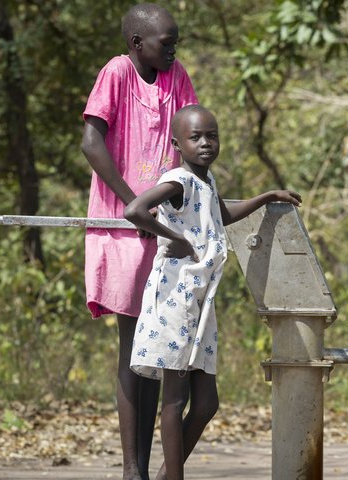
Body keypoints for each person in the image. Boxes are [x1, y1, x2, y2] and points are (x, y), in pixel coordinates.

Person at [124, 105, 302, 480]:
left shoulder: (205, 181)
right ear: (177, 144)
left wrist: (267, 197)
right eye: (196, 137)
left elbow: (220, 214)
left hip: (200, 300)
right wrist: (178, 240)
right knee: (175, 398)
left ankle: (165, 475)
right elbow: (135, 210)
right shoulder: (179, 181)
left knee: (206, 403)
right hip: (174, 296)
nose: (205, 143)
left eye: (212, 135)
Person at [79, 4, 198, 479]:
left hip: (165, 226)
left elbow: (188, 141)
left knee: (157, 346)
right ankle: (133, 469)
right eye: (165, 43)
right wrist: (136, 203)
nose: (172, 50)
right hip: (122, 225)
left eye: (175, 43)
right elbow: (92, 142)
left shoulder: (177, 77)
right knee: (134, 343)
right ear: (136, 44)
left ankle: (145, 467)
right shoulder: (117, 73)